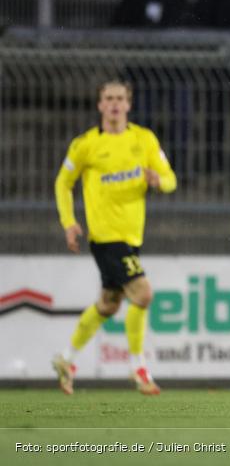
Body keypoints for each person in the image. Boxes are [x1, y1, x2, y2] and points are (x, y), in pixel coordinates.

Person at [52, 80, 177, 395]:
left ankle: (66, 360)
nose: (115, 104)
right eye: (108, 98)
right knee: (144, 294)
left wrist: (157, 181)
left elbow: (171, 179)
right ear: (100, 105)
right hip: (106, 237)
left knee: (108, 305)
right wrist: (69, 222)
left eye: (120, 98)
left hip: (132, 236)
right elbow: (63, 183)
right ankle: (139, 369)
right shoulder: (85, 146)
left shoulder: (144, 140)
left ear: (129, 104)